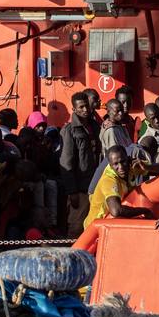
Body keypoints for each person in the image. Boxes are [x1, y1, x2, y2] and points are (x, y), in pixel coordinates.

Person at [59, 91, 101, 232]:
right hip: (80, 188)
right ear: (74, 109)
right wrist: (72, 191)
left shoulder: (95, 126)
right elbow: (66, 162)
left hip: (94, 185)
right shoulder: (69, 131)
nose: (85, 110)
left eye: (87, 106)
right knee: (76, 227)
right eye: (81, 107)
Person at [85, 145, 149, 228]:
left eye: (123, 162)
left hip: (108, 224)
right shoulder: (108, 179)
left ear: (128, 159)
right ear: (110, 166)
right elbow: (116, 211)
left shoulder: (131, 167)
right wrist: (144, 211)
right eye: (116, 164)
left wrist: (147, 167)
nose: (121, 167)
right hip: (93, 229)